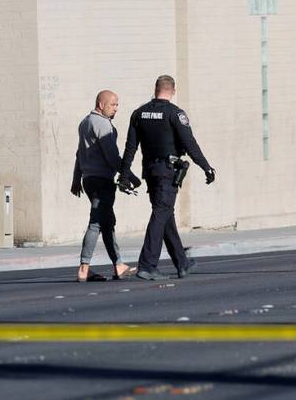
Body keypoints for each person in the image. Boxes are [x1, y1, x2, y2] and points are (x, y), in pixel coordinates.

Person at [119, 75, 215, 281]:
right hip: (167, 171)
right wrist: (206, 167)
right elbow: (189, 143)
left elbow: (130, 147)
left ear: (155, 89)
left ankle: (182, 263)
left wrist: (124, 174)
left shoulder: (139, 113)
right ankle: (147, 265)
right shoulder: (174, 113)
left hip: (150, 172)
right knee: (161, 213)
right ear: (173, 90)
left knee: (165, 216)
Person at [71, 90, 136, 282]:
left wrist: (76, 178)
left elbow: (79, 153)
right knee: (97, 222)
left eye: (117, 104)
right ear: (101, 104)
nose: (116, 108)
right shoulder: (102, 124)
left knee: (107, 223)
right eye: (113, 104)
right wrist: (129, 175)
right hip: (102, 181)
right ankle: (84, 268)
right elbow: (112, 157)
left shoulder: (85, 122)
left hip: (89, 179)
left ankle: (118, 265)